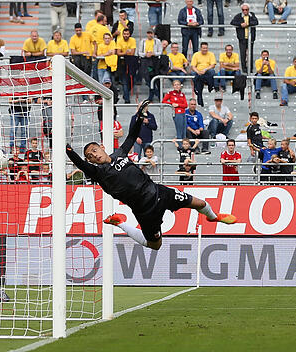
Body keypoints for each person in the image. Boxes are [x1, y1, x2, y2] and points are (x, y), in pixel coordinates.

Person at [68, 102, 237, 251]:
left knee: (199, 203)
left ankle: (214, 217)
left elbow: (132, 136)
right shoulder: (98, 173)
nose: (94, 155)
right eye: (90, 156)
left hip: (159, 193)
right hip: (145, 211)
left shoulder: (120, 153)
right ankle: (120, 222)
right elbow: (81, 164)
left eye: (94, 150)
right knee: (155, 245)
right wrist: (67, 150)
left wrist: (140, 116)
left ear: (102, 147)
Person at [230, 3, 258, 72]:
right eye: (243, 10)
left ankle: (250, 69)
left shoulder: (252, 15)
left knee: (250, 54)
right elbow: (232, 22)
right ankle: (244, 69)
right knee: (243, 54)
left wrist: (248, 24)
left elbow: (256, 22)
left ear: (248, 10)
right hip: (242, 38)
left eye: (246, 9)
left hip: (250, 38)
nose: (245, 11)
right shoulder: (238, 16)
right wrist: (240, 24)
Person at [190, 42, 217, 107]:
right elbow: (193, 66)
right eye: (203, 48)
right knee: (194, 74)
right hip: (198, 71)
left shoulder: (211, 54)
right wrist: (198, 71)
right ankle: (199, 95)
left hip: (207, 71)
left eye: (206, 48)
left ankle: (209, 86)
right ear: (200, 48)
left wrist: (205, 70)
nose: (205, 49)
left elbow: (213, 65)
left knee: (212, 71)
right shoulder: (196, 54)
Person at [139, 29, 162, 102]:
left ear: (153, 34)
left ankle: (152, 96)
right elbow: (139, 52)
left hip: (154, 61)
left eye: (151, 33)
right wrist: (145, 54)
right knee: (147, 79)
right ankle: (157, 94)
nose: (150, 35)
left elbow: (160, 52)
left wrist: (153, 53)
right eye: (148, 33)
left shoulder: (157, 41)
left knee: (154, 78)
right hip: (146, 61)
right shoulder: (143, 41)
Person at [116, 28, 138, 103]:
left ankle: (125, 94)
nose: (126, 35)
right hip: (122, 63)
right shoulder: (119, 41)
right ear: (122, 34)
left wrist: (123, 52)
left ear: (129, 34)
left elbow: (132, 53)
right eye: (124, 34)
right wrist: (126, 52)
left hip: (131, 63)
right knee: (125, 81)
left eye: (127, 34)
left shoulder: (133, 40)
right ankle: (127, 99)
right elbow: (118, 53)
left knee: (133, 80)